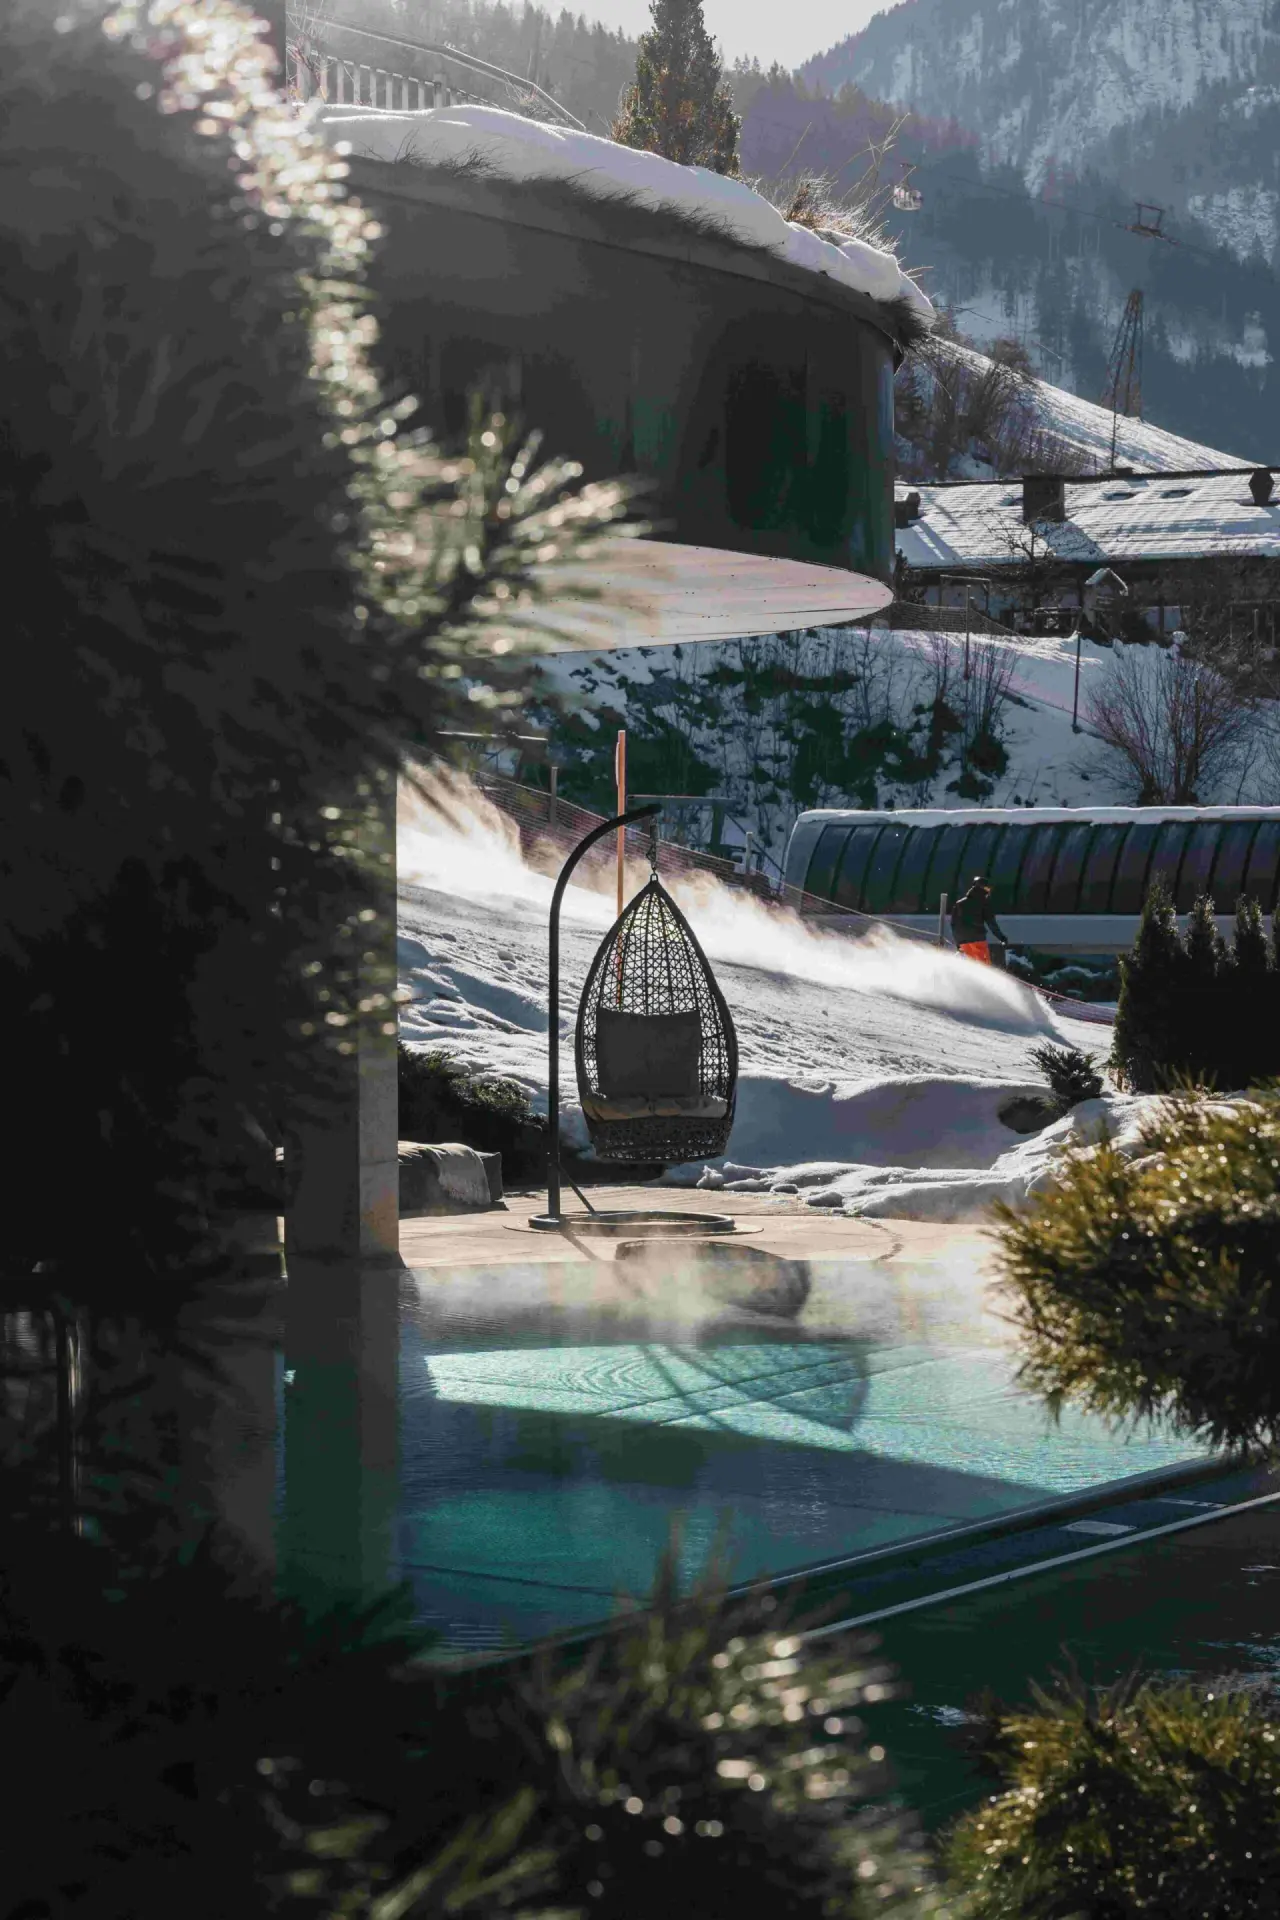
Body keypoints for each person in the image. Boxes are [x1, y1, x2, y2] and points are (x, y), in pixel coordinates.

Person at [950, 874, 1007, 965]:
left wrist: (958, 942)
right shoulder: (984, 903)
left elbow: (953, 924)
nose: (989, 891)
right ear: (983, 888)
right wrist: (1002, 938)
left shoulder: (959, 903)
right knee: (984, 965)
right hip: (977, 938)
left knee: (972, 965)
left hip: (963, 941)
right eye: (988, 888)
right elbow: (991, 923)